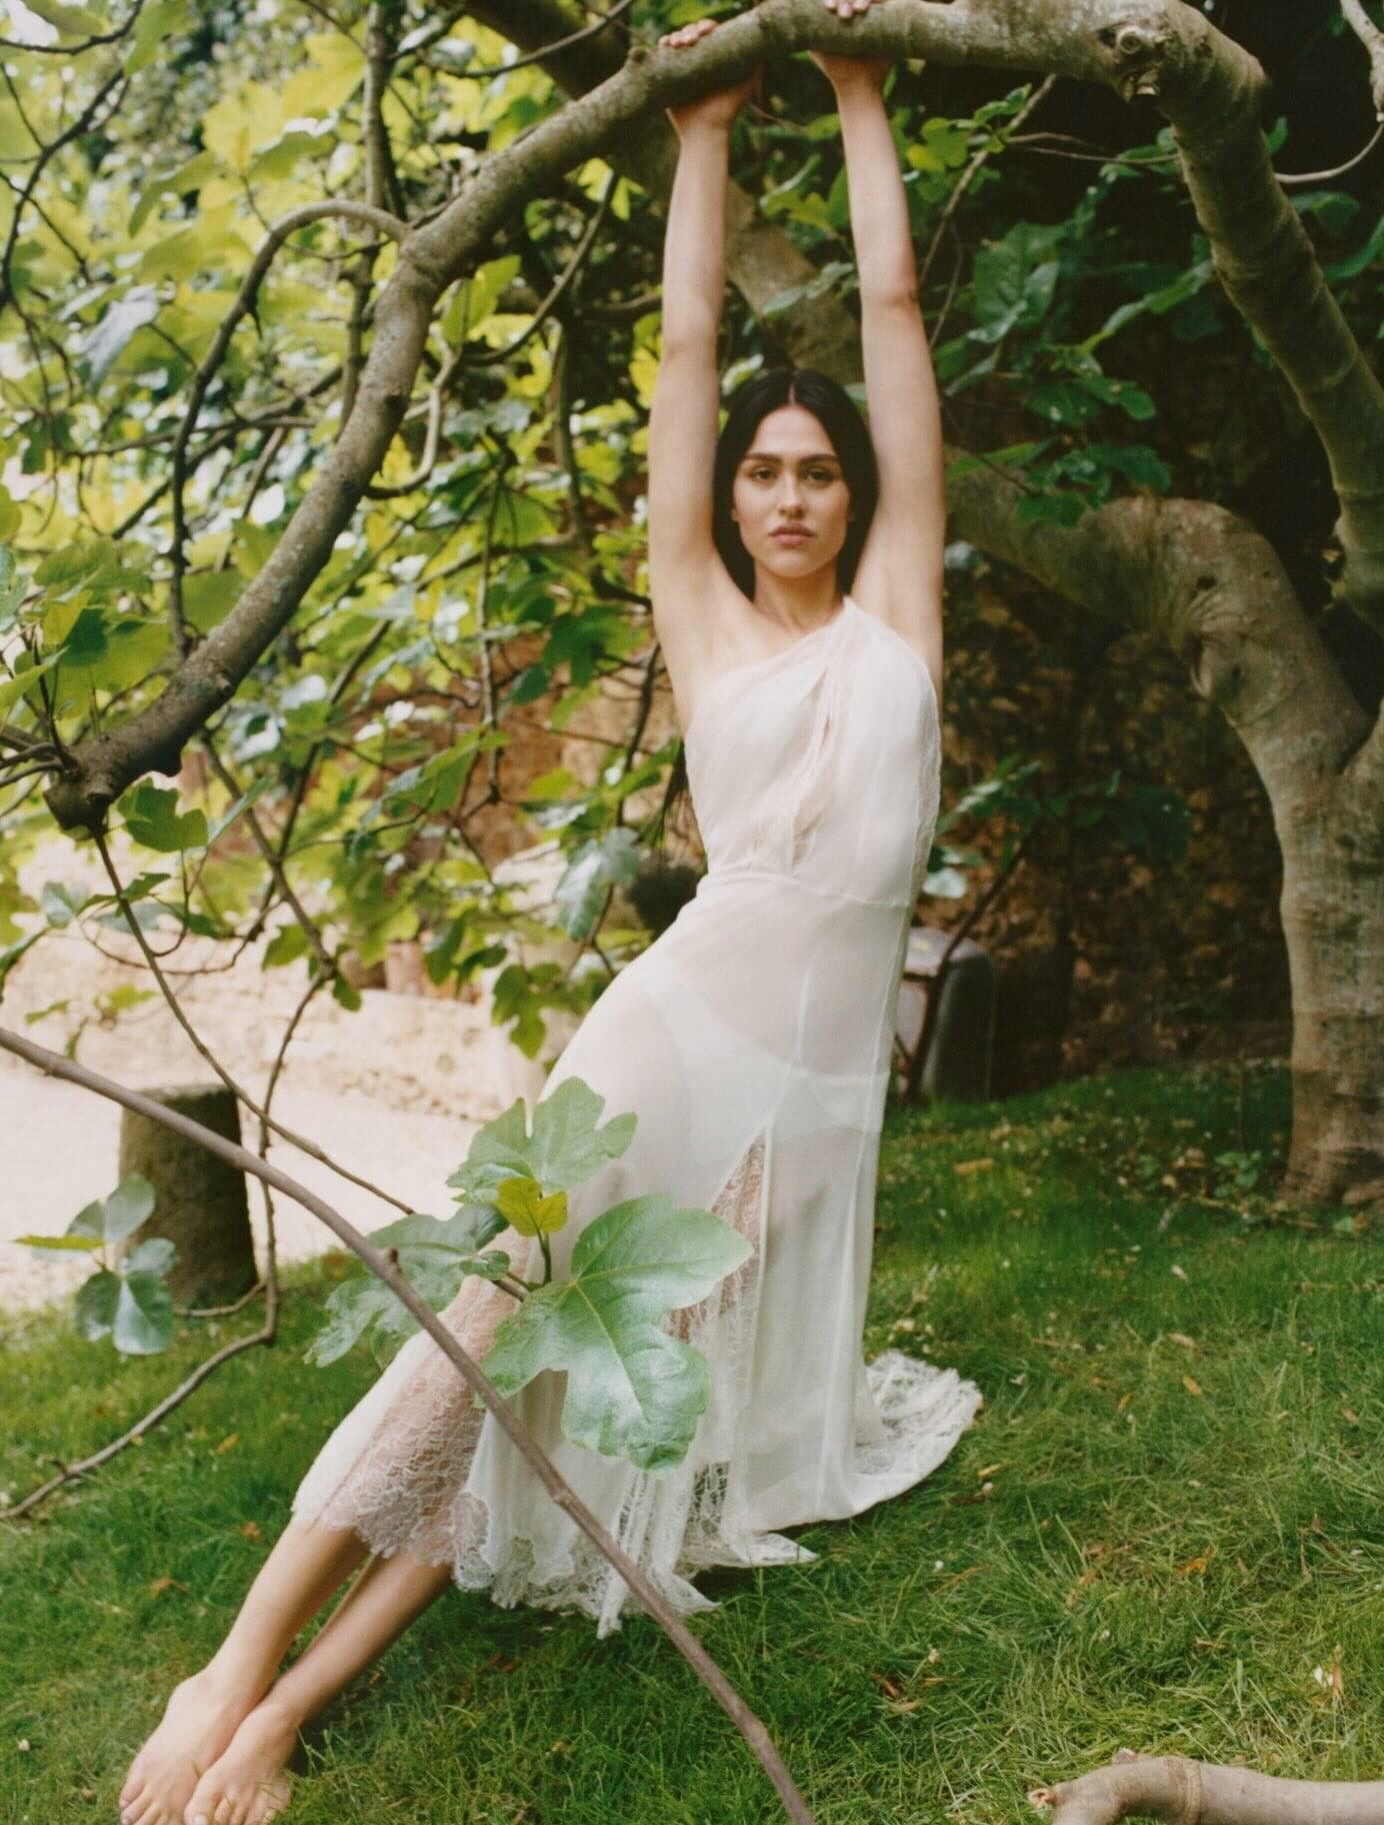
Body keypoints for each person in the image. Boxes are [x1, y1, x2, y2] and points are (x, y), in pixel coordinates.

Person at [117, 8, 981, 1824]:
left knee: (584, 1389)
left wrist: (861, 96)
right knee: (490, 1331)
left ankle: (292, 1714)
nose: (792, 495)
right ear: (730, 497)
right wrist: (699, 133)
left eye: (819, 470)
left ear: (860, 494)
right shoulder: (704, 612)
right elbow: (687, 348)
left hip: (818, 1100)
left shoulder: (902, 608)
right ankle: (235, 1667)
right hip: (676, 1040)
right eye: (765, 471)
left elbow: (897, 317)